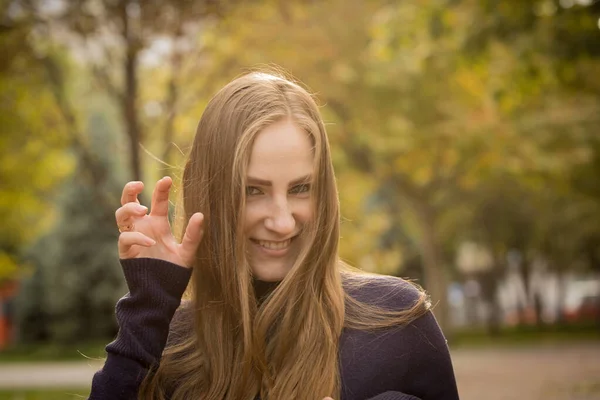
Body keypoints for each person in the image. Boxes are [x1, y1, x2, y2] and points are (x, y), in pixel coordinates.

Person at [89, 72, 459, 400]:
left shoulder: (395, 321)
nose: (282, 223)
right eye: (253, 191)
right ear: (210, 194)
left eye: (300, 188)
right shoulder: (167, 345)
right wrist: (149, 305)